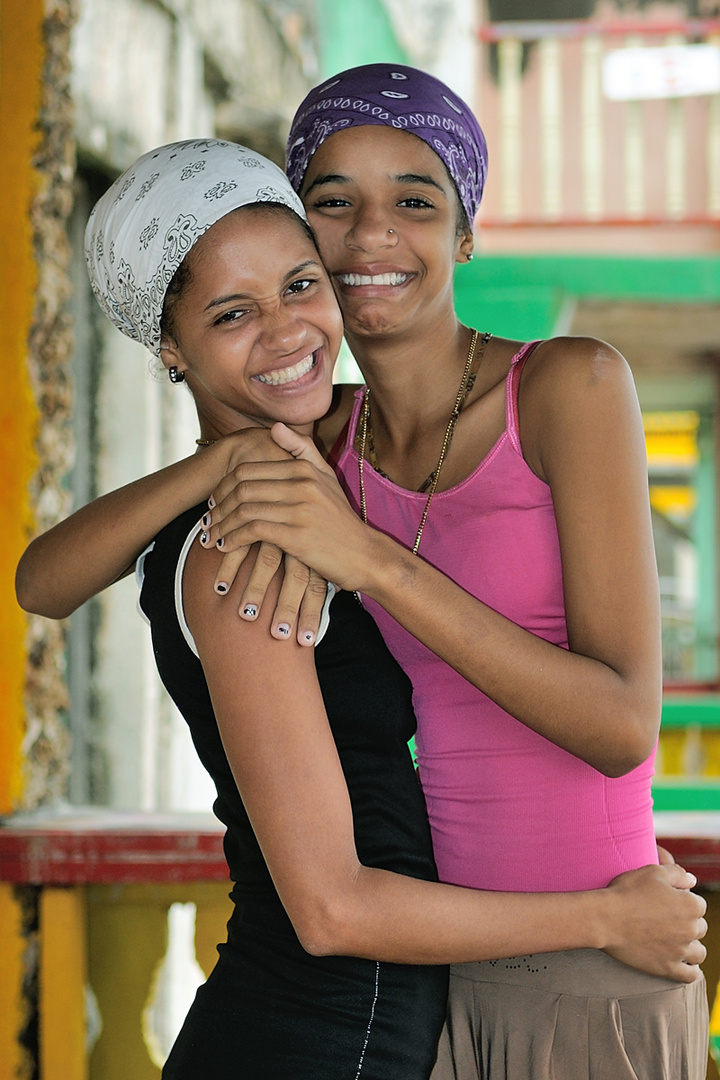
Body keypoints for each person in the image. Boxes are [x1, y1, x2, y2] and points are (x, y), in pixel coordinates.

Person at [14, 90, 708, 1080]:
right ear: (172, 347)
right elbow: (42, 580)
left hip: (567, 967)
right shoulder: (287, 482)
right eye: (336, 204)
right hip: (420, 981)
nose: (372, 234)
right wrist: (228, 460)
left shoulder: (530, 397)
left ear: (469, 229)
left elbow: (622, 725)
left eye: (416, 200)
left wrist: (356, 544)